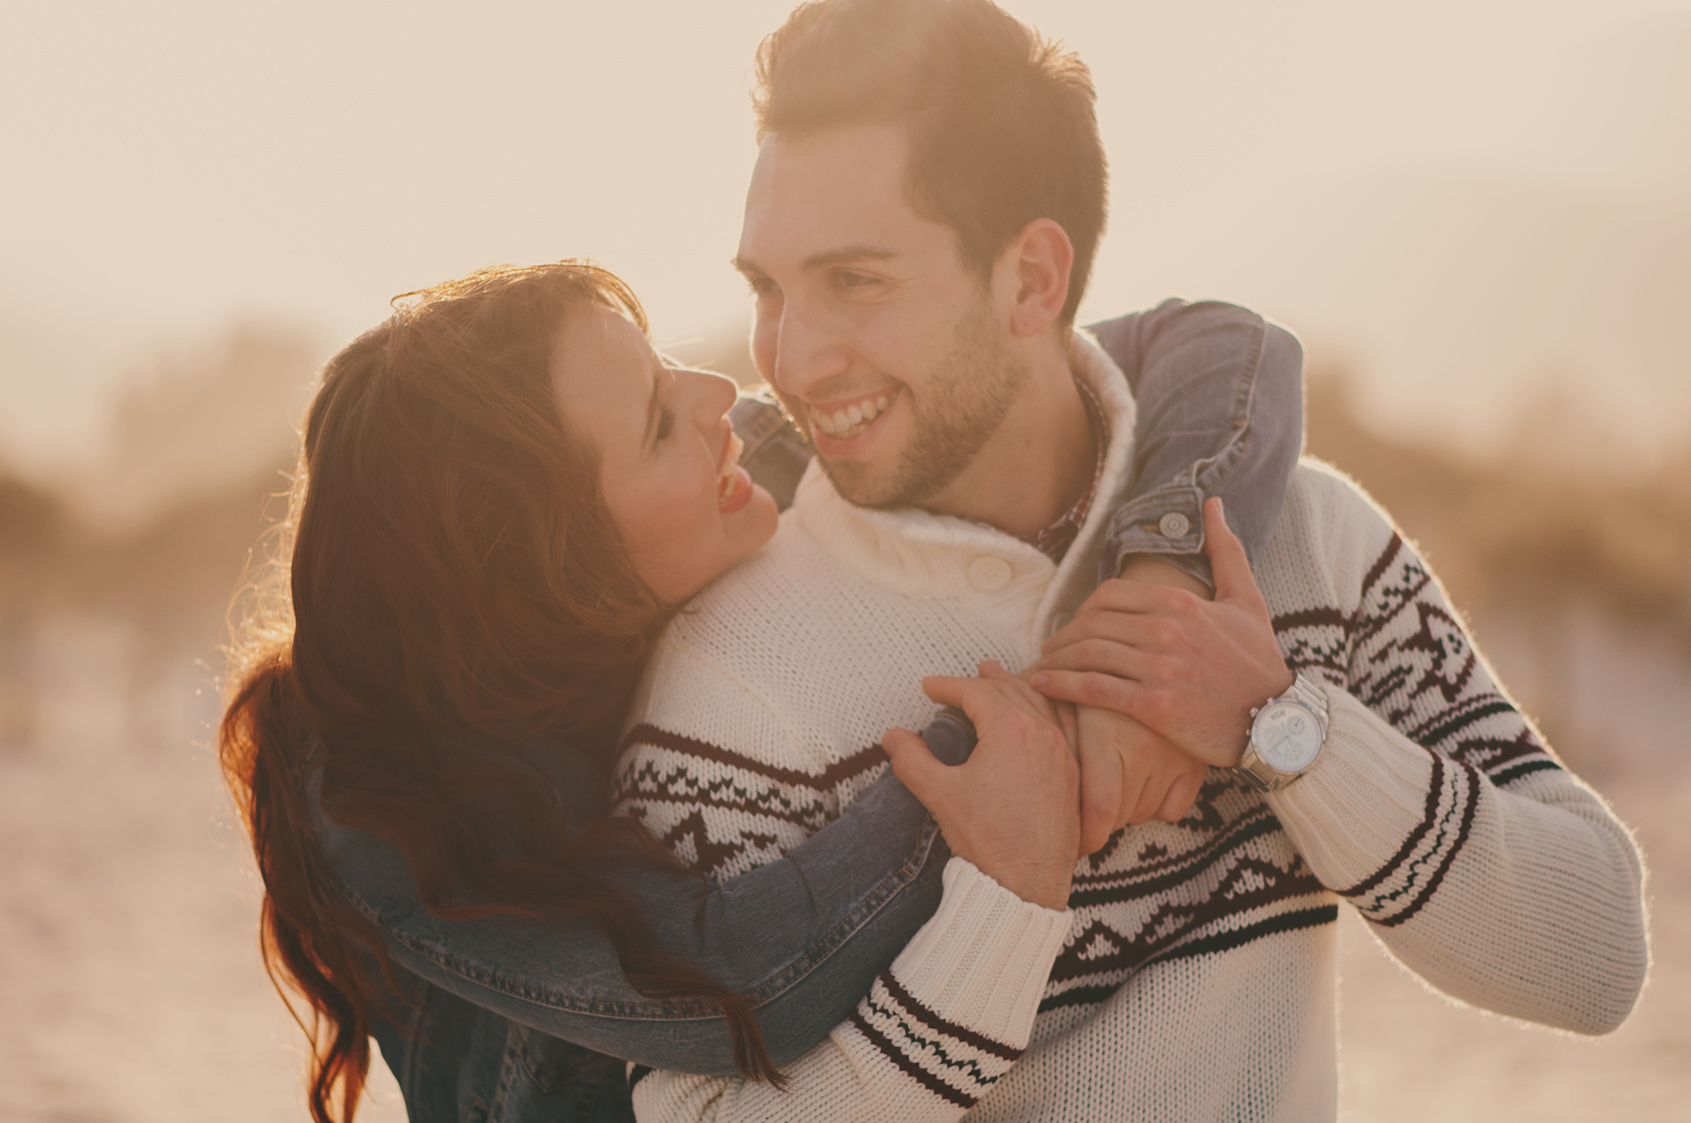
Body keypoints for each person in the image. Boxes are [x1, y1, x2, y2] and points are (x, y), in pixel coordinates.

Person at [613, 1, 1649, 1120]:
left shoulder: (1301, 540)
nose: (792, 357)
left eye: (854, 282)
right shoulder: (725, 683)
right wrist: (1003, 910)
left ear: (1030, 279)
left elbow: (1593, 957)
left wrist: (1282, 730)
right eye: (768, 288)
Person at [218, 256, 1307, 1123]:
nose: (720, 398)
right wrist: (1042, 722)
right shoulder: (384, 818)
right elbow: (748, 978)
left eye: (662, 365)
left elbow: (1229, 349)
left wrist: (1154, 589)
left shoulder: (727, 475)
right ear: (555, 572)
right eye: (655, 419)